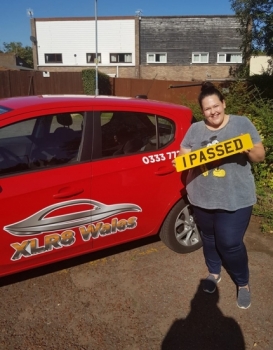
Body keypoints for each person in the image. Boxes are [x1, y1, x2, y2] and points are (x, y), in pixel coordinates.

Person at [179, 81, 265, 309]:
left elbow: (260, 155)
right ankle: (214, 272)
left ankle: (243, 282)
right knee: (208, 237)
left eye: (215, 106)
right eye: (207, 109)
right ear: (202, 111)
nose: (212, 112)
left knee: (230, 242)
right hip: (202, 197)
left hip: (236, 198)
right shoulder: (195, 129)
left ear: (223, 104)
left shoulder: (241, 123)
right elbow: (184, 155)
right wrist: (188, 159)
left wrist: (249, 150)